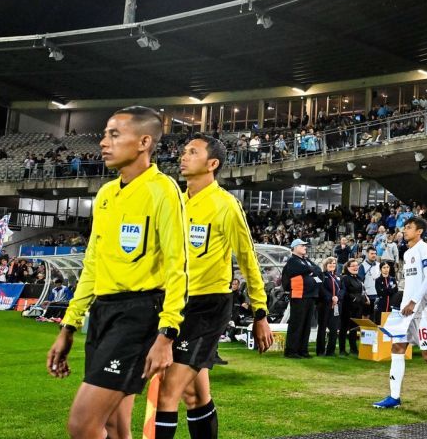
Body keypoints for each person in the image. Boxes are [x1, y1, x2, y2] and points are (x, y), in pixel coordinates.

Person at [47, 107, 189, 439]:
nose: (103, 142)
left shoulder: (163, 190)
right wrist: (69, 325)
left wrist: (167, 335)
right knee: (114, 425)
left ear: (143, 141)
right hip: (102, 314)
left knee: (82, 425)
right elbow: (93, 264)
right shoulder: (107, 194)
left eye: (114, 134)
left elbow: (177, 265)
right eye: (104, 134)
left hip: (138, 315)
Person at [154, 133, 273, 439]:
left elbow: (248, 259)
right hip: (176, 304)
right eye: (184, 151)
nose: (183, 156)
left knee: (167, 392)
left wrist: (260, 313)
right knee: (195, 396)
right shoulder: (176, 202)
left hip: (209, 307)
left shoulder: (226, 206)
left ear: (212, 164)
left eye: (192, 152)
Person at [374, 217, 427, 409]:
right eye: (405, 227)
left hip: (423, 310)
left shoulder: (425, 249)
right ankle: (394, 397)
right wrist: (405, 302)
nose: (405, 230)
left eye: (409, 227)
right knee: (397, 348)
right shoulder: (407, 253)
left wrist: (414, 302)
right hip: (407, 310)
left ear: (419, 231)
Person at [281, 239, 320, 358]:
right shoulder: (292, 260)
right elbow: (307, 269)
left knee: (306, 324)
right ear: (295, 247)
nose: (305, 247)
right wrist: (311, 270)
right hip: (299, 295)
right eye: (302, 246)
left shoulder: (305, 260)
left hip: (309, 295)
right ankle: (291, 351)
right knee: (297, 323)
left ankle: (303, 350)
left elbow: (318, 269)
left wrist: (311, 271)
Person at [340, 258, 369, 356]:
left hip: (358, 307)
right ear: (347, 268)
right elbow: (345, 293)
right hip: (348, 307)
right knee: (344, 329)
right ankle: (342, 350)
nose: (356, 267)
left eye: (357, 265)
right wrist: (355, 299)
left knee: (354, 329)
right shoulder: (345, 278)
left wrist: (365, 298)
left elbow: (362, 291)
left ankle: (353, 349)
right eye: (353, 266)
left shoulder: (359, 278)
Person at [315, 258, 343, 357]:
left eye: (334, 263)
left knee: (334, 328)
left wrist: (337, 298)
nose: (332, 264)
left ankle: (330, 351)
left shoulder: (338, 277)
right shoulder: (322, 275)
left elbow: (342, 289)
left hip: (336, 306)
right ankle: (320, 351)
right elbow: (321, 288)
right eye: (330, 263)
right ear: (326, 264)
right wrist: (330, 297)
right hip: (324, 305)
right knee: (322, 328)